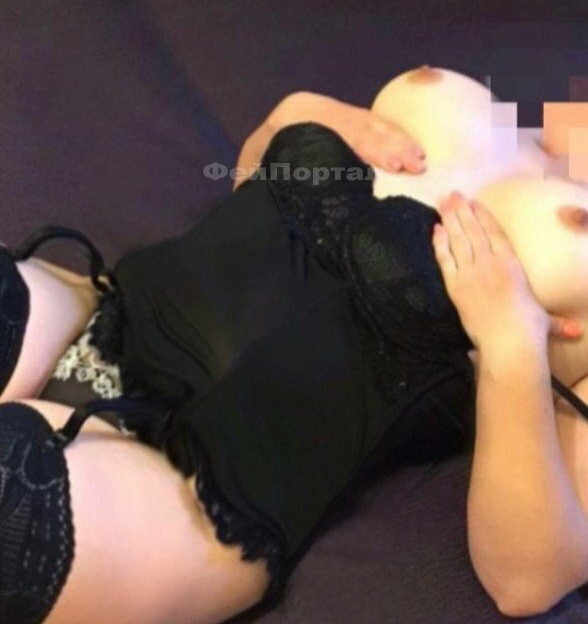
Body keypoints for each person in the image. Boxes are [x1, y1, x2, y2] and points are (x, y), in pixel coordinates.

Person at [1, 65, 587, 623]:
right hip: (106, 316)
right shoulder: (500, 108)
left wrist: (511, 344)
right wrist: (286, 120)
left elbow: (528, 582)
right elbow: (257, 203)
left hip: (203, 494)